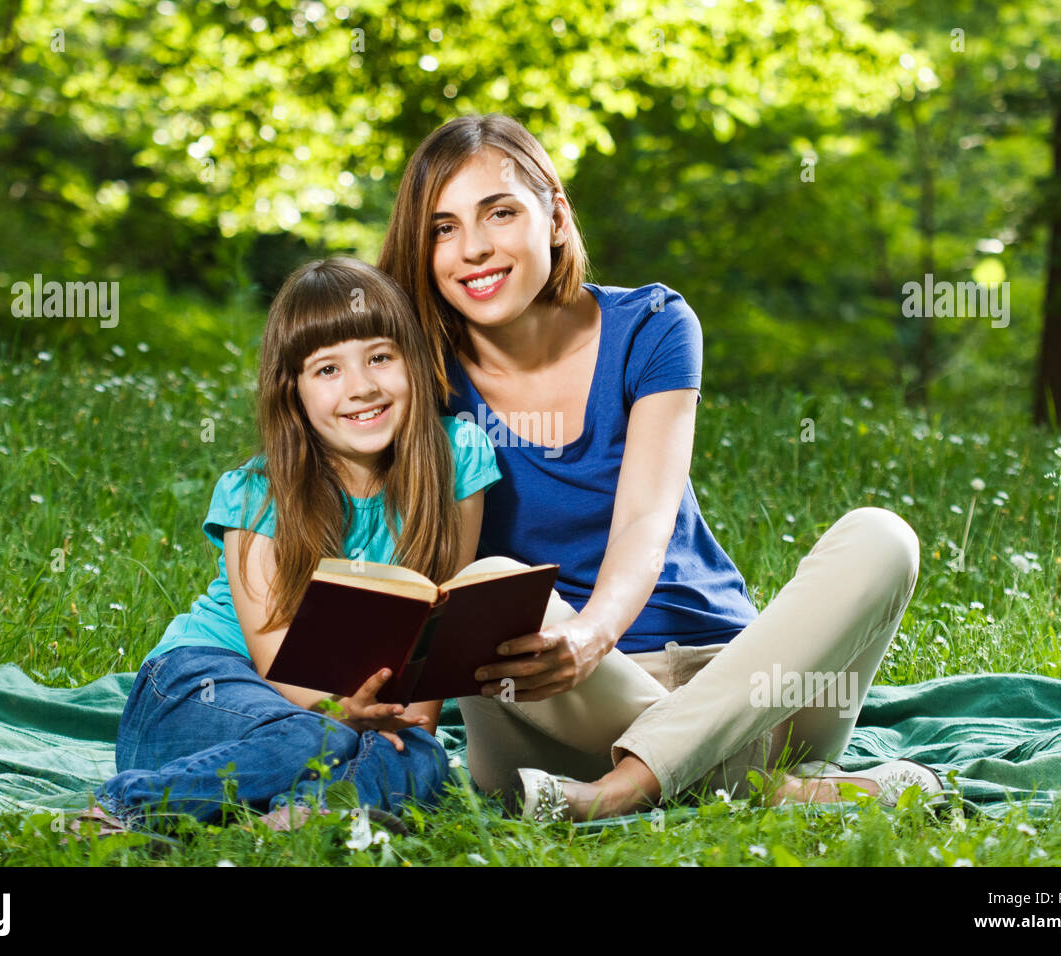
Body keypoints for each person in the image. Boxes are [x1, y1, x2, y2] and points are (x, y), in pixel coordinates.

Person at [377, 113, 943, 822]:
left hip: (738, 687)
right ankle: (763, 789)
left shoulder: (652, 324)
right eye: (443, 228)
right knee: (489, 583)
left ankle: (625, 791)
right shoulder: (416, 376)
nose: (474, 250)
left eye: (499, 213)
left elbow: (647, 520)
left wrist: (593, 635)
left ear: (554, 215)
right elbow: (417, 559)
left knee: (882, 538)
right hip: (560, 707)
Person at [89, 256, 502, 834]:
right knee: (318, 730)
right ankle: (128, 806)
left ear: (414, 361)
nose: (362, 387)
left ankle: (296, 823)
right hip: (204, 686)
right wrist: (345, 716)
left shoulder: (458, 456)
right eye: (327, 369)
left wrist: (405, 729)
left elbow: (434, 648)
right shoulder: (257, 493)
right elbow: (274, 661)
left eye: (381, 357)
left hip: (351, 716)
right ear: (294, 393)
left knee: (424, 758)